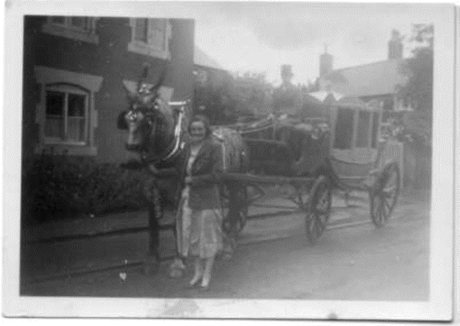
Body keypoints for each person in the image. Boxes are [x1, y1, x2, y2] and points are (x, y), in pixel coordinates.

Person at [176, 115, 224, 290]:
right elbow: (181, 171)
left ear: (206, 130)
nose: (196, 132)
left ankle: (207, 275)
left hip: (207, 200)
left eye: (200, 129)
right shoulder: (188, 147)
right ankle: (197, 273)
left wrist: (193, 181)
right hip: (190, 199)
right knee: (194, 238)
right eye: (193, 129)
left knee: (208, 239)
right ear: (189, 131)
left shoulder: (215, 147)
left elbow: (218, 175)